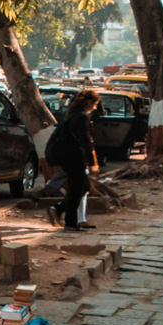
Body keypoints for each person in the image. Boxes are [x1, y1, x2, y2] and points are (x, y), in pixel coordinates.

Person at [46, 89, 100, 231]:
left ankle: (59, 209)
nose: (95, 108)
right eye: (95, 104)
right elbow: (85, 141)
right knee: (77, 189)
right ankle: (69, 221)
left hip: (68, 157)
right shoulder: (81, 118)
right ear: (90, 103)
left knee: (83, 188)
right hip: (74, 157)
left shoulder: (72, 115)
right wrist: (92, 162)